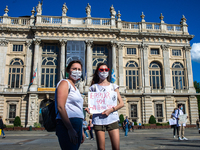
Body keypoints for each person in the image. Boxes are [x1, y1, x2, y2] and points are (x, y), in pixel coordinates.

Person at [85, 63, 124, 150]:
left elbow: (121, 103)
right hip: (98, 120)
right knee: (101, 149)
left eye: (106, 70)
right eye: (101, 70)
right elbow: (93, 105)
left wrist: (110, 110)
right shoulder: (93, 87)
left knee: (116, 148)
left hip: (112, 119)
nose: (104, 71)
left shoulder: (113, 86)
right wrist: (89, 109)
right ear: (97, 72)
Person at [55, 60, 85, 150]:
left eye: (79, 69)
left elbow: (78, 109)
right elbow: (60, 107)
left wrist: (82, 130)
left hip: (77, 124)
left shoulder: (75, 87)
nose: (77, 71)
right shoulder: (64, 83)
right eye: (74, 69)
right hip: (68, 124)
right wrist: (70, 129)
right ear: (68, 70)